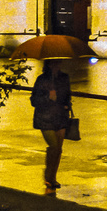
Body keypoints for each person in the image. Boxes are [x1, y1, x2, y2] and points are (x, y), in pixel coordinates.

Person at [30, 59, 72, 192]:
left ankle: (53, 177)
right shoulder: (42, 80)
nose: (57, 66)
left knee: (58, 149)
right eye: (54, 64)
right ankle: (48, 175)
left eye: (58, 63)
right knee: (53, 146)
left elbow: (67, 95)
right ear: (48, 65)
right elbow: (34, 100)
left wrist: (66, 104)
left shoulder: (64, 78)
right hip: (45, 118)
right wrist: (48, 97)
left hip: (60, 117)